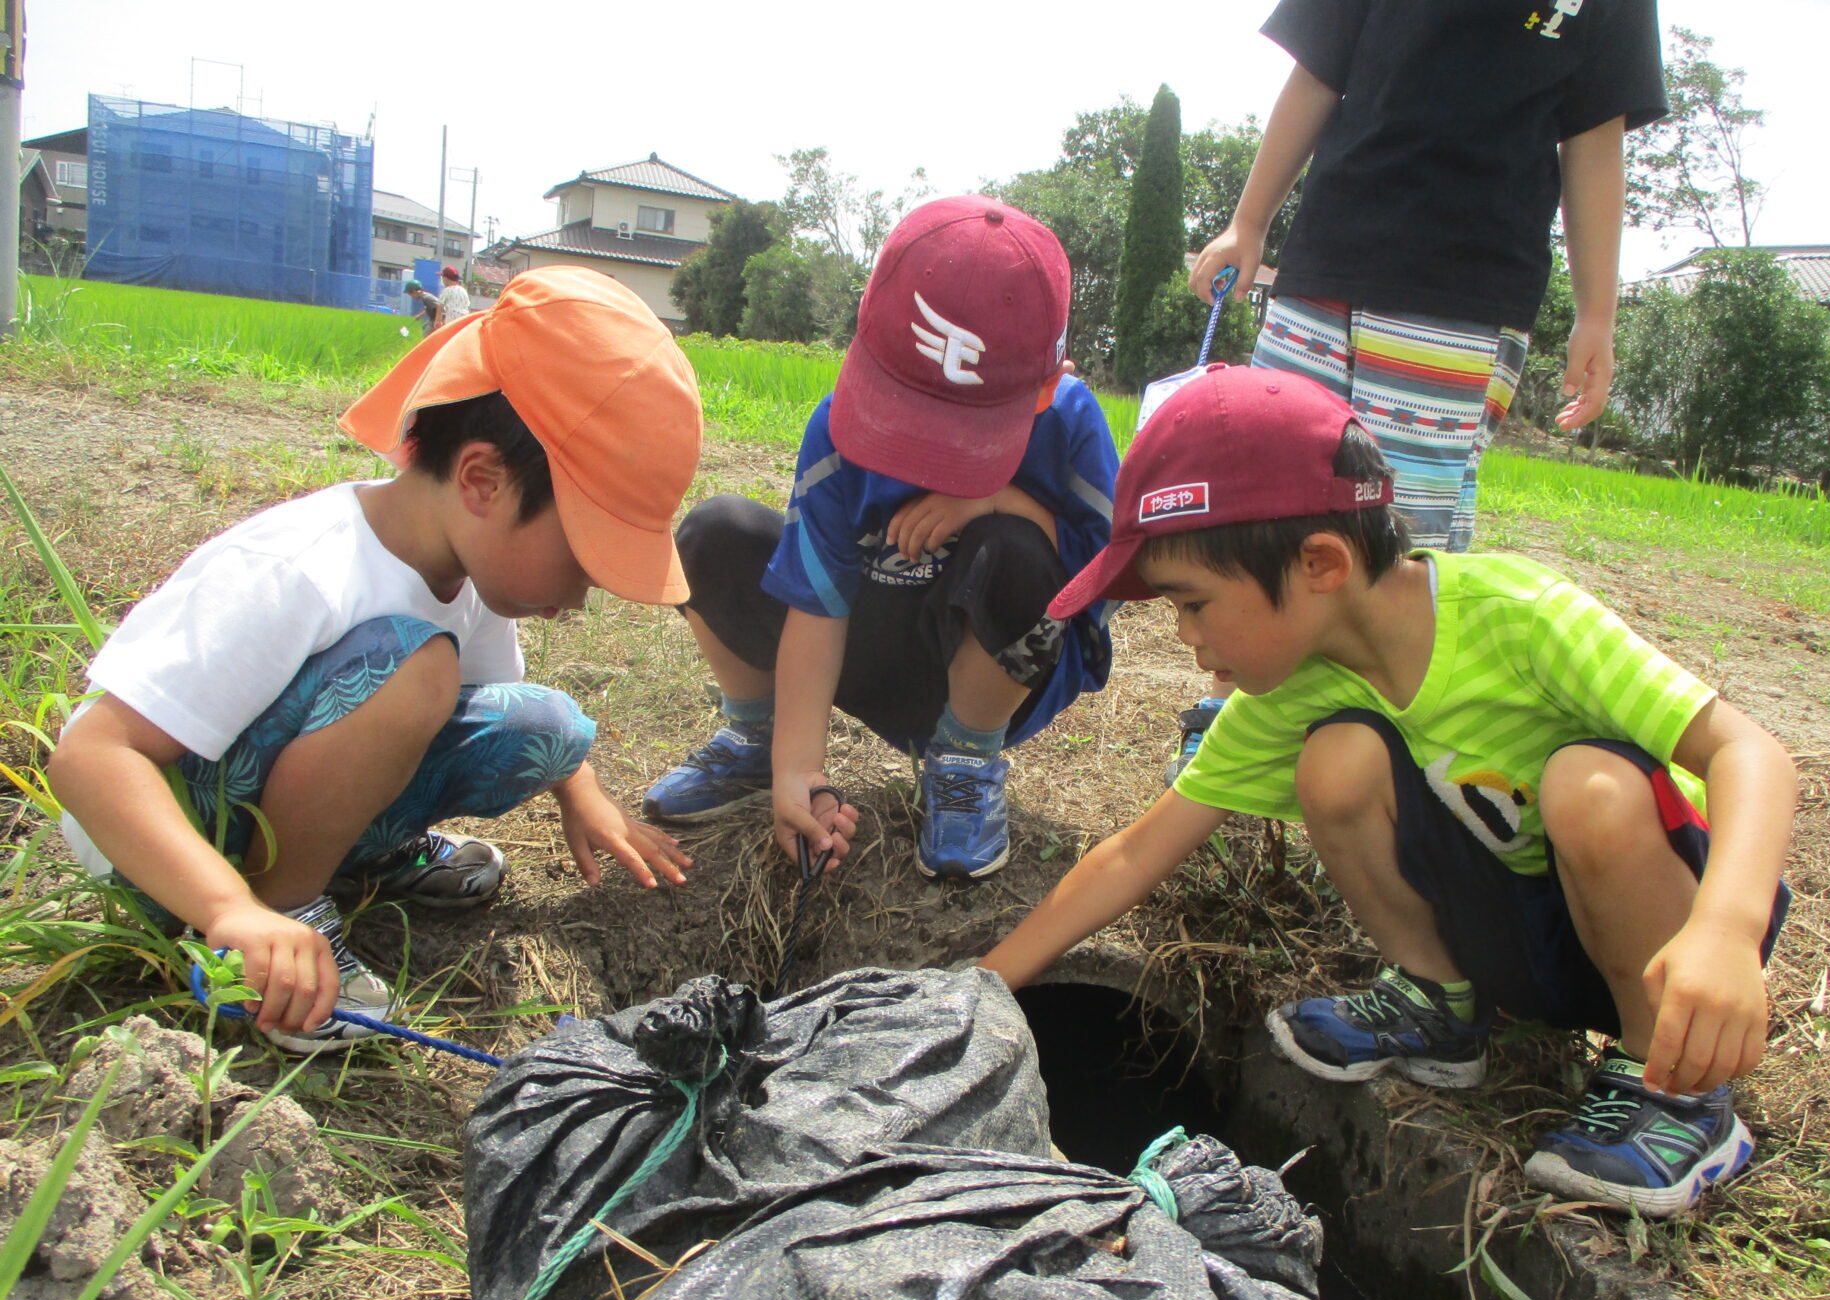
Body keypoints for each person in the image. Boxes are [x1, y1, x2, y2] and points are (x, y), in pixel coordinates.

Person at [981, 366, 1795, 1216]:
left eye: (1193, 603)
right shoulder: (1296, 688)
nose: (1185, 634)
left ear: (1320, 563)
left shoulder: (1519, 617)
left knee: (1591, 788)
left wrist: (1725, 933)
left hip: (1672, 932)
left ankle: (1674, 1089)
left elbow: (1753, 754)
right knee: (1337, 760)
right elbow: (1137, 852)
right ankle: (1441, 1005)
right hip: (1521, 941)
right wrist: (983, 988)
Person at [48, 266, 703, 1054]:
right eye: (581, 559)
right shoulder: (299, 568)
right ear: (483, 482)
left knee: (548, 727)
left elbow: (486, 712)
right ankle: (280, 919)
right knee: (417, 672)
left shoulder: (465, 575)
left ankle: (354, 862)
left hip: (276, 805)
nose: (578, 596)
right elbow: (91, 756)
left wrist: (581, 793)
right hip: (169, 844)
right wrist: (229, 909)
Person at [1168, 0, 1668, 780]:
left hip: (1463, 300)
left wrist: (1597, 311)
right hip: (1324, 268)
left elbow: (1595, 139)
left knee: (1398, 534)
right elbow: (1317, 72)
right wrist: (1248, 223)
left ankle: (1372, 741)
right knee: (1263, 503)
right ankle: (1236, 717)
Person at [642, 196, 1119, 881]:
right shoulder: (837, 428)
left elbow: (1107, 572)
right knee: (715, 535)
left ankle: (964, 760)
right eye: (907, 417)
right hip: (869, 651)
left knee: (1017, 550)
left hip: (992, 668)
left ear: (1048, 388)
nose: (928, 457)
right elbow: (816, 602)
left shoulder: (1069, 427)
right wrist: (798, 772)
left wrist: (997, 500)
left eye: (966, 436)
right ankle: (756, 734)